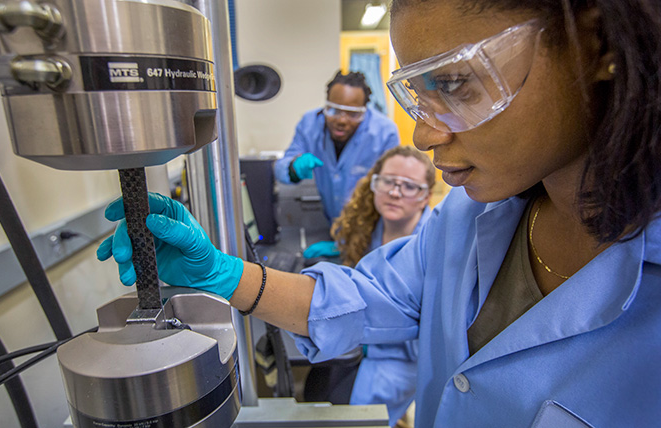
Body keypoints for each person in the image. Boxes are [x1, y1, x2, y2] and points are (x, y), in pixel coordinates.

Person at [98, 0, 661, 426]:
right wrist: (222, 273)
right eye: (420, 95)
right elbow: (374, 299)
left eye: (459, 83)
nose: (423, 133)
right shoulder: (467, 218)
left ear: (596, 43)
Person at [331, 145, 435, 427]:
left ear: (425, 196)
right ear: (374, 183)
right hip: (368, 344)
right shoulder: (370, 227)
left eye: (410, 186)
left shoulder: (435, 244)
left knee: (358, 420)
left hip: (407, 358)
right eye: (388, 182)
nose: (395, 192)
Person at [273, 71, 399, 223]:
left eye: (353, 114)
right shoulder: (309, 123)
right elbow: (280, 168)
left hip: (369, 227)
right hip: (331, 224)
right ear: (326, 104)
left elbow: (392, 192)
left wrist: (352, 241)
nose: (342, 120)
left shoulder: (385, 132)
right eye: (334, 110)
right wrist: (293, 167)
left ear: (365, 110)